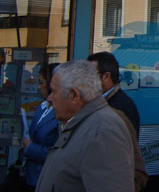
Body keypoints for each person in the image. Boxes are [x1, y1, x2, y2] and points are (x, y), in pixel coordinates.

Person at [36, 60, 134, 192]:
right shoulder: (81, 123)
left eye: (53, 91)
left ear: (74, 95)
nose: (49, 98)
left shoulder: (103, 129)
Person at [23, 63, 59, 191]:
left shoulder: (61, 113)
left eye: (42, 83)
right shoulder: (43, 107)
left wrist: (30, 148)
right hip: (31, 175)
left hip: (46, 179)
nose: (38, 87)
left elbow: (58, 153)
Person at [87, 51, 140, 137]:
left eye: (91, 74)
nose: (87, 79)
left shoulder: (122, 106)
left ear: (106, 76)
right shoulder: (96, 101)